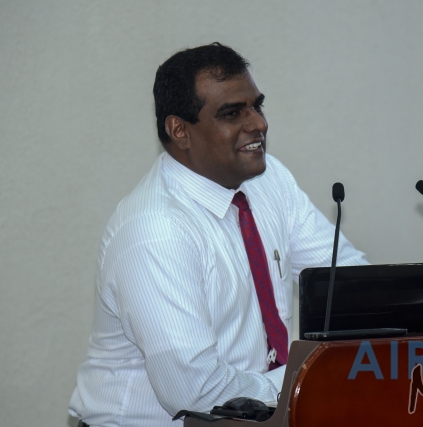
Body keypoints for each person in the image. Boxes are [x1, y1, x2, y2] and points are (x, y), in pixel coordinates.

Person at [69, 42, 367, 427]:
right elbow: (197, 392)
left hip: (253, 415)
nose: (258, 124)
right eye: (232, 113)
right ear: (179, 130)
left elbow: (349, 287)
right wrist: (309, 377)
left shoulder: (269, 180)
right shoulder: (156, 230)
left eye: (257, 106)